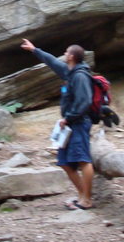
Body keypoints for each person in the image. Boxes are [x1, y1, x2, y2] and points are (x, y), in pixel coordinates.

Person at [21, 38, 94, 210]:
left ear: (72, 57)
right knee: (65, 162)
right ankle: (82, 195)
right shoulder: (69, 72)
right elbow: (52, 61)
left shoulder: (81, 76)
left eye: (66, 52)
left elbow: (85, 102)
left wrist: (69, 117)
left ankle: (87, 199)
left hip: (78, 123)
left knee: (83, 160)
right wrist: (34, 49)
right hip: (68, 125)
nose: (64, 54)